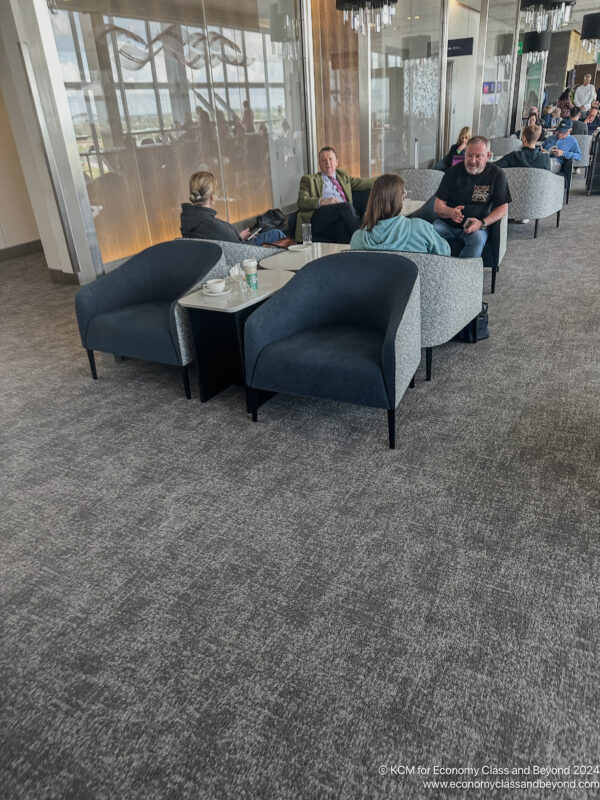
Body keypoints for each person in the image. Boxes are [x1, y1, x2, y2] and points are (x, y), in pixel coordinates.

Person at [432, 135, 511, 259]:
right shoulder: (452, 172)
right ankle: (439, 271)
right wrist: (450, 212)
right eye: (469, 155)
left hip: (476, 227)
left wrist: (482, 223)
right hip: (447, 225)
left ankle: (463, 275)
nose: (472, 160)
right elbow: (437, 206)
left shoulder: (497, 174)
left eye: (478, 156)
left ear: (488, 156)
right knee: (429, 232)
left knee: (477, 239)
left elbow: (503, 208)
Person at [350, 173, 450, 256]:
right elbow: (445, 253)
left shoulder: (358, 239)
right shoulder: (421, 228)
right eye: (403, 194)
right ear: (399, 199)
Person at [180, 171, 286, 246]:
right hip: (243, 257)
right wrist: (240, 240)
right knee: (276, 234)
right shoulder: (216, 227)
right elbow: (239, 250)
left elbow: (227, 241)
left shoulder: (187, 223)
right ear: (212, 196)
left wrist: (238, 237)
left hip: (227, 252)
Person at [296, 146, 374, 243]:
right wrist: (323, 201)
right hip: (320, 218)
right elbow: (301, 202)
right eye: (323, 160)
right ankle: (364, 240)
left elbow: (362, 183)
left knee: (342, 230)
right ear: (319, 164)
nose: (327, 163)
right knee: (346, 206)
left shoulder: (342, 176)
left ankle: (351, 253)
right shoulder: (309, 180)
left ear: (336, 162)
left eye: (330, 159)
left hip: (342, 217)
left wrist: (384, 180)